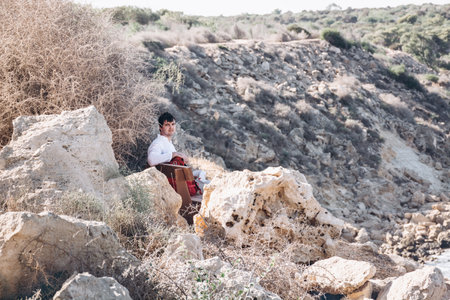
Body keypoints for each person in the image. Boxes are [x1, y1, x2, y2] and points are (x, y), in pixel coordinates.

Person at [148, 112, 208, 187]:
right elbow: (151, 160)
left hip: (177, 179)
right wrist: (174, 154)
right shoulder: (158, 143)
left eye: (173, 124)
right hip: (171, 184)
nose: (171, 127)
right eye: (167, 125)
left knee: (202, 173)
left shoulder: (168, 143)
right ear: (160, 127)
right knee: (208, 185)